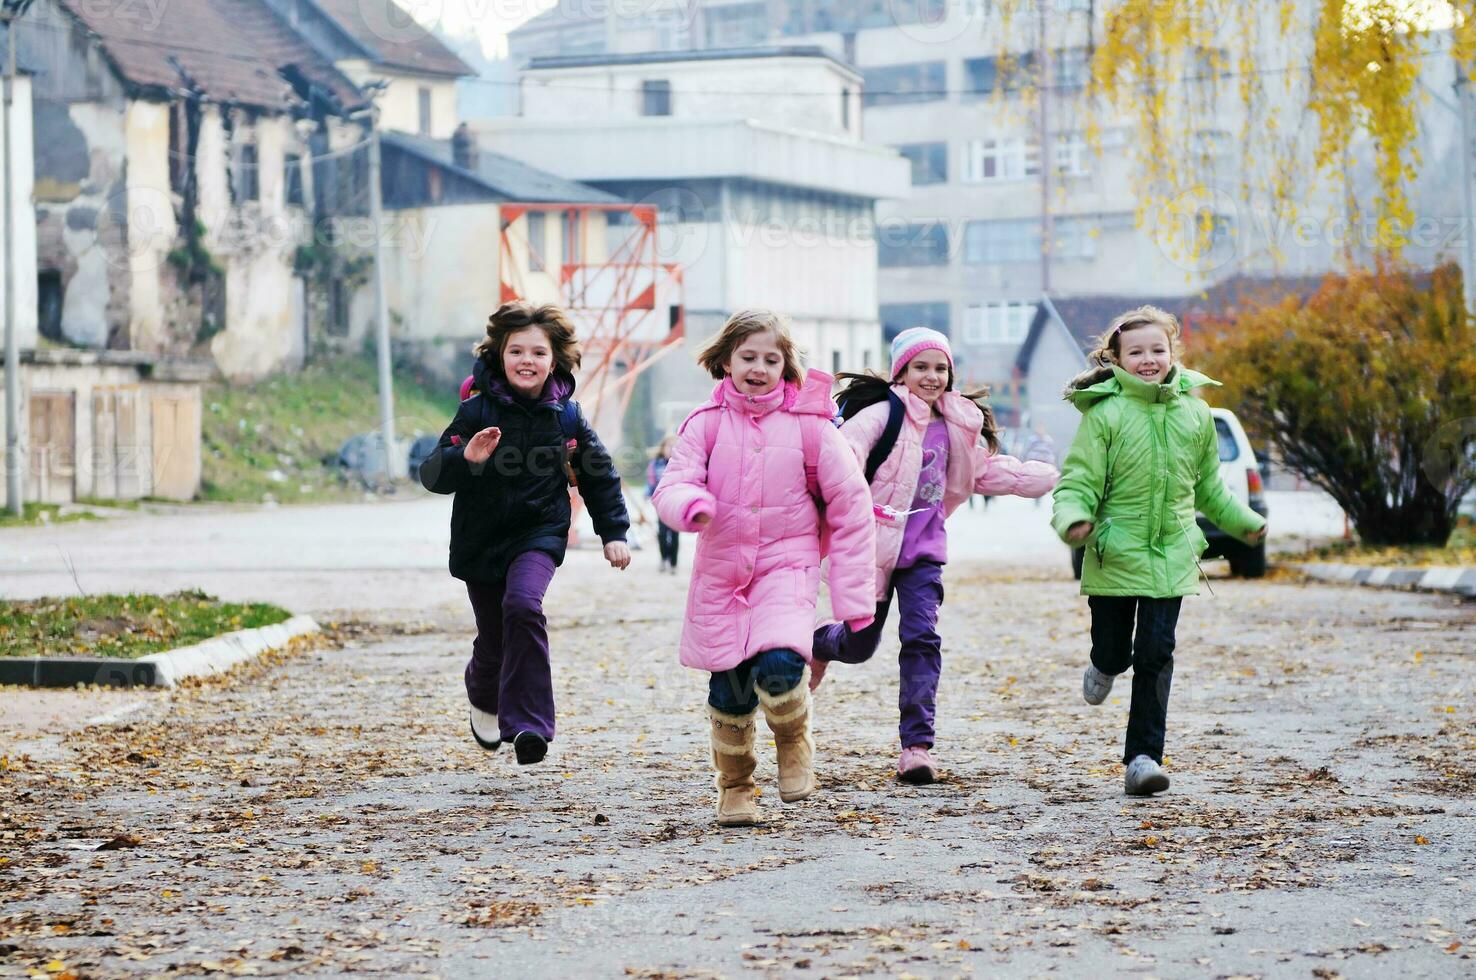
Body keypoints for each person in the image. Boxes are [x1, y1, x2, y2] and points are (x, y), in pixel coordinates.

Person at [653, 309, 876, 827]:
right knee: (727, 692)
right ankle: (734, 786)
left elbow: (851, 507)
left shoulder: (812, 429)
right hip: (722, 574)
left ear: (787, 366)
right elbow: (673, 483)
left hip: (786, 566)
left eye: (770, 359)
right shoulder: (704, 425)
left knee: (780, 666)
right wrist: (690, 505)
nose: (758, 367)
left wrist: (855, 603)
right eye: (748, 356)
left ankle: (794, 739)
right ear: (726, 360)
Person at [809, 327, 1059, 784]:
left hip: (924, 552)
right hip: (871, 550)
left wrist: (1043, 479)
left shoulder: (958, 424)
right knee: (861, 646)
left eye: (940, 368)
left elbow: (983, 471)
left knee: (923, 638)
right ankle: (819, 644)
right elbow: (843, 456)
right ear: (900, 371)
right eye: (921, 367)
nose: (932, 376)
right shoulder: (880, 416)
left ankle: (916, 747)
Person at [1052, 306, 1267, 796]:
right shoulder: (1104, 414)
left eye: (1158, 350)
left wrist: (1245, 524)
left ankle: (1143, 758)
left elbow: (1210, 487)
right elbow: (1078, 481)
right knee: (1114, 649)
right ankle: (1104, 664)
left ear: (1173, 353)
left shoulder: (1195, 413)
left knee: (1156, 652)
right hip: (1113, 552)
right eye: (1137, 352)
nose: (1148, 359)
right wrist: (1073, 520)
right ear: (1117, 359)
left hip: (1172, 551)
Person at [420, 301, 631, 766]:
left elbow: (599, 475)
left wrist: (612, 531)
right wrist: (466, 460)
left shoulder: (566, 418)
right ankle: (483, 695)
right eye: (516, 350)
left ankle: (530, 724)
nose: (527, 360)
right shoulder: (474, 412)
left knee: (523, 606)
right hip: (481, 539)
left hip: (539, 532)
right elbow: (432, 475)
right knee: (493, 640)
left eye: (538, 352)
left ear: (554, 360)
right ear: (499, 356)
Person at [646, 435, 680, 574]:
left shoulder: (680, 463)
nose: (671, 449)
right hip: (661, 503)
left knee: (674, 534)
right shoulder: (655, 464)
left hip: (677, 503)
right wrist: (647, 493)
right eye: (669, 446)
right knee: (662, 532)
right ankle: (663, 558)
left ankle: (673, 562)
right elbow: (651, 481)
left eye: (674, 447)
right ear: (663, 448)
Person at [1024, 425, 1060, 507]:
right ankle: (1036, 496)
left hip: (1045, 464)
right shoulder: (1032, 439)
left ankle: (1039, 496)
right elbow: (1027, 450)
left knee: (1042, 481)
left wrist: (1052, 464)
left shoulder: (1048, 440)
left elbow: (1051, 452)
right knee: (1035, 481)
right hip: (1034, 463)